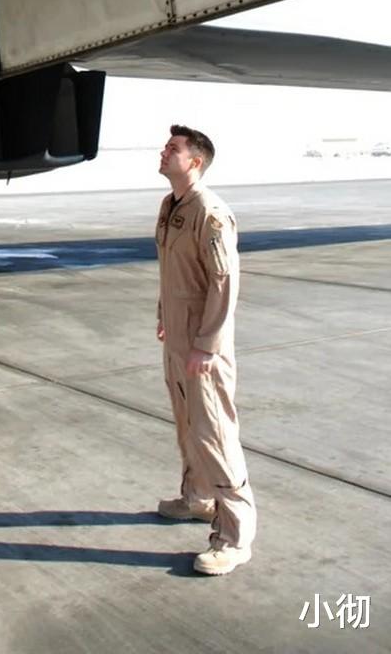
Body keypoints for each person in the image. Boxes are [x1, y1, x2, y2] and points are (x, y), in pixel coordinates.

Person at [155, 124, 256, 576]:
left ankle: (235, 536)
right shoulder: (170, 206)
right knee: (187, 425)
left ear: (194, 162)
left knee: (214, 433)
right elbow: (173, 271)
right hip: (178, 339)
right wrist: (163, 313)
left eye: (173, 148)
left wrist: (208, 345)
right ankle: (197, 499)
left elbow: (224, 283)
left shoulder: (210, 213)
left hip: (201, 345)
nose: (164, 152)